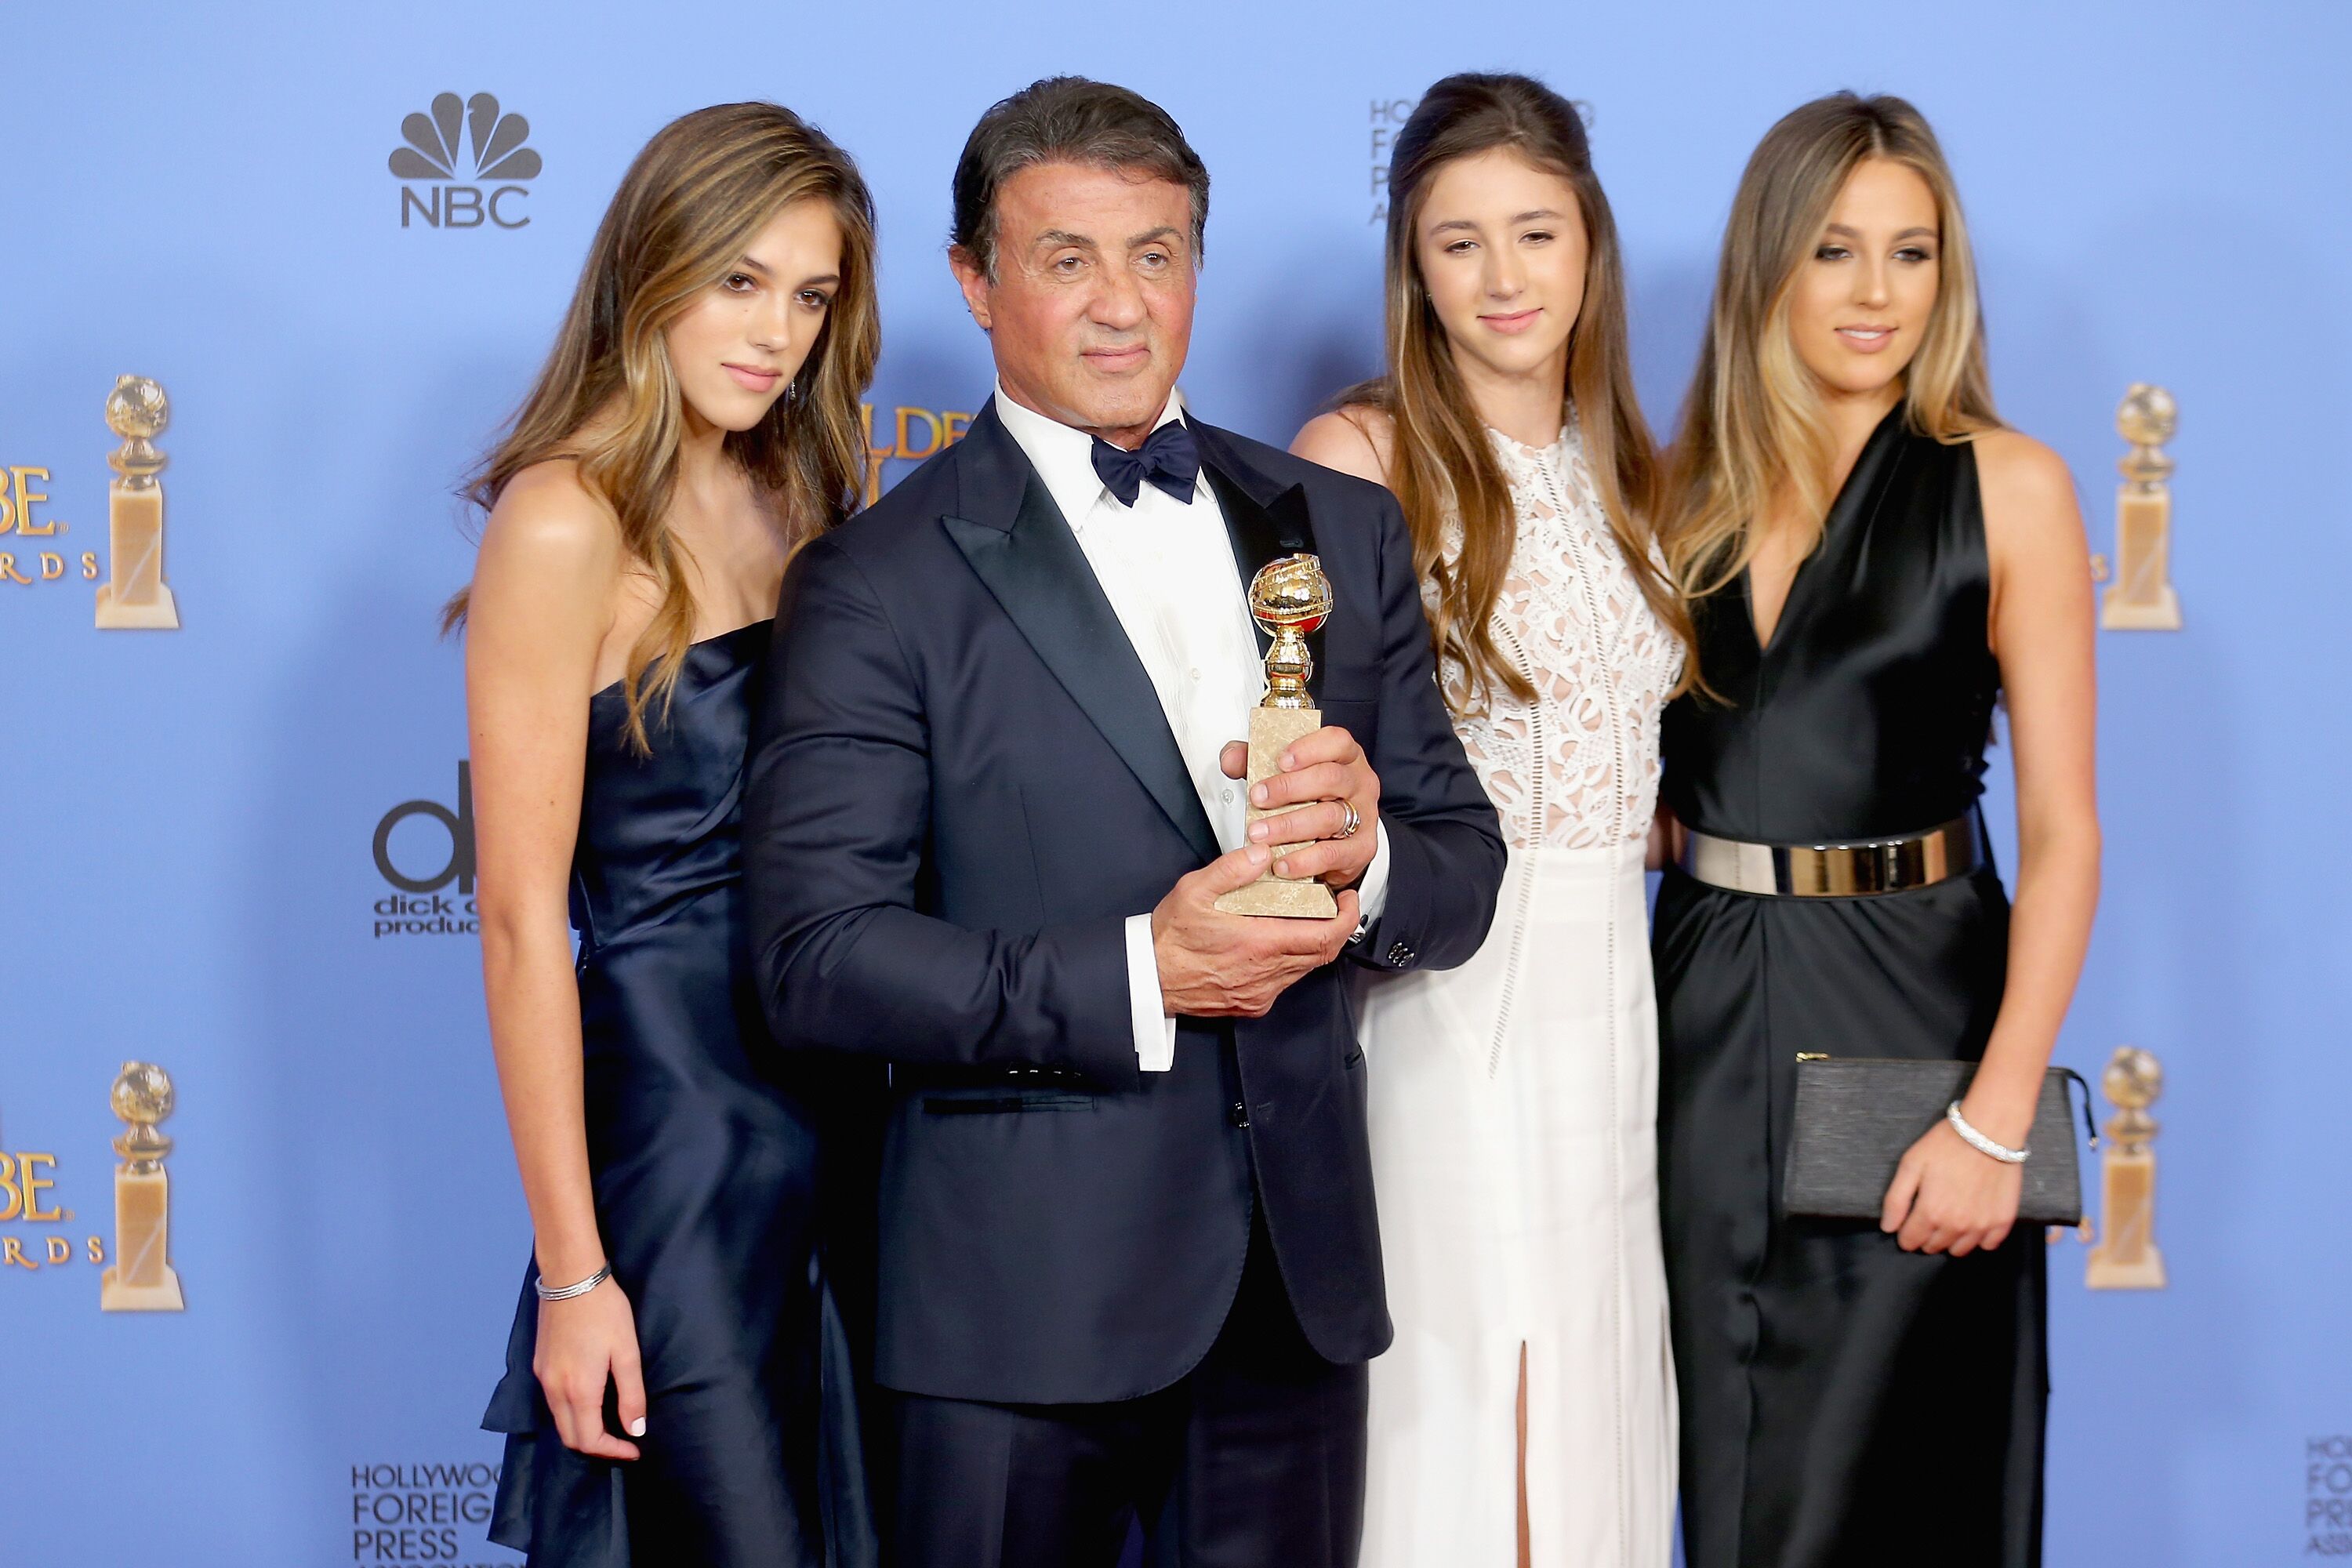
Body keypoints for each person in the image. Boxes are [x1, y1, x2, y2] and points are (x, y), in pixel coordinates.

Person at [742, 76, 1504, 1568]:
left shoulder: (1332, 523)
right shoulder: (876, 581)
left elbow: (1461, 870)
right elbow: (816, 958)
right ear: (973, 281)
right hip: (1018, 1315)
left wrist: (1372, 865)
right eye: (1067, 258)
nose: (1119, 308)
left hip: (1293, 1291)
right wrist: (1147, 971)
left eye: (1155, 255)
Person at [1650, 93, 2100, 1568]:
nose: (1875, 294)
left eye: (1911, 254)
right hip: (1702, 1010)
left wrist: (1995, 1115)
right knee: (1722, 1460)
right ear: (1770, 262)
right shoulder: (1676, 494)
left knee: (1903, 1472)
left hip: (1918, 1011)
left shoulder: (2008, 485)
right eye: (1836, 251)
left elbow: (2066, 830)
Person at [459, 103, 883, 1566]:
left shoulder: (801, 489)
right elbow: (520, 922)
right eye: (740, 281)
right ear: (654, 269)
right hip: (679, 1149)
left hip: (843, 1110)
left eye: (813, 296)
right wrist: (577, 1278)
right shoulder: (564, 518)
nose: (777, 333)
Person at [1294, 71, 1690, 1568]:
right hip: (1443, 991)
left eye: (1535, 232)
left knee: (1590, 1376)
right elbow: (1303, 768)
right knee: (1452, 1388)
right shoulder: (1362, 456)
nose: (1504, 277)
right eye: (1459, 242)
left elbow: (1622, 753)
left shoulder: (1636, 468)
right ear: (1413, 264)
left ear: (1590, 242)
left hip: (1614, 985)